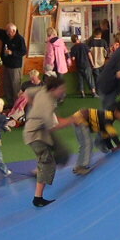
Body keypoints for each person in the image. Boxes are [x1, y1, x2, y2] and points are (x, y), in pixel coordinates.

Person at [24, 76, 72, 208]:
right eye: (61, 89)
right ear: (53, 89)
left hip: (41, 131)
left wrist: (33, 106)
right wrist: (72, 120)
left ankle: (37, 172)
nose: (63, 91)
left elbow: (27, 92)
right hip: (36, 135)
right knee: (47, 163)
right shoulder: (47, 104)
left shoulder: (43, 90)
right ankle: (37, 198)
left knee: (63, 153)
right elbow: (52, 126)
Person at [71, 102, 120, 175]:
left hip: (80, 119)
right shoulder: (108, 117)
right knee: (87, 144)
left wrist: (111, 148)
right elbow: (112, 133)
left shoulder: (107, 118)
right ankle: (81, 167)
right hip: (80, 120)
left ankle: (78, 166)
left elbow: (105, 135)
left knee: (85, 144)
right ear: (116, 111)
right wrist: (119, 145)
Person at [0, 21, 26, 107]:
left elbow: (23, 51)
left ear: (14, 31)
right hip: (6, 65)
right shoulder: (6, 35)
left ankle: (17, 105)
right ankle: (10, 103)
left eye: (8, 31)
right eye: (6, 31)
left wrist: (12, 53)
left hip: (15, 67)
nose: (7, 33)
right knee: (7, 85)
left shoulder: (20, 39)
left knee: (15, 86)